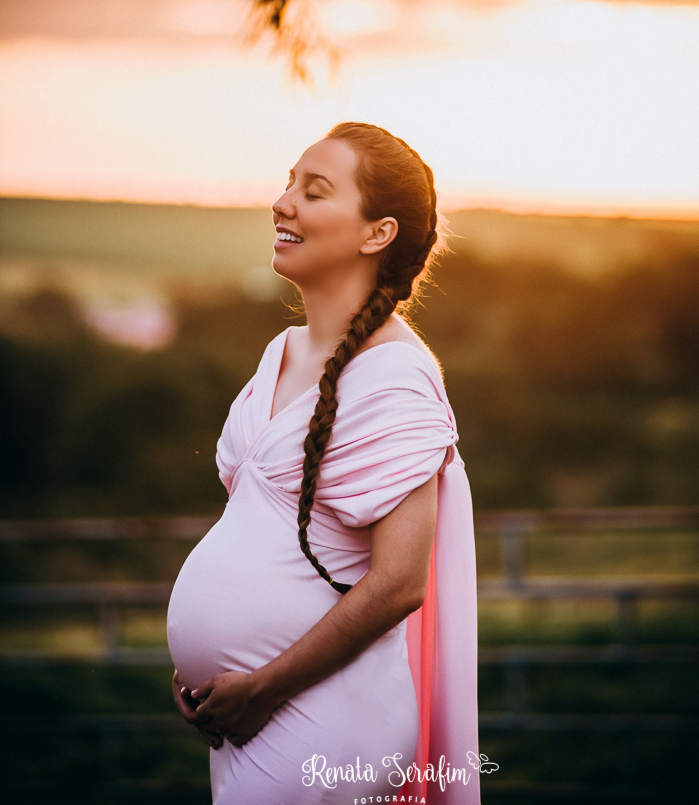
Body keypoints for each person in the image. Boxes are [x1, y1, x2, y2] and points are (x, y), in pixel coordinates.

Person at [167, 121, 480, 804]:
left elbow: (400, 583)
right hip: (248, 716)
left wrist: (261, 685)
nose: (282, 202)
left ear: (377, 233)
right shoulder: (279, 351)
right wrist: (204, 661)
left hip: (322, 722)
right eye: (287, 184)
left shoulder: (396, 375)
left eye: (313, 191)